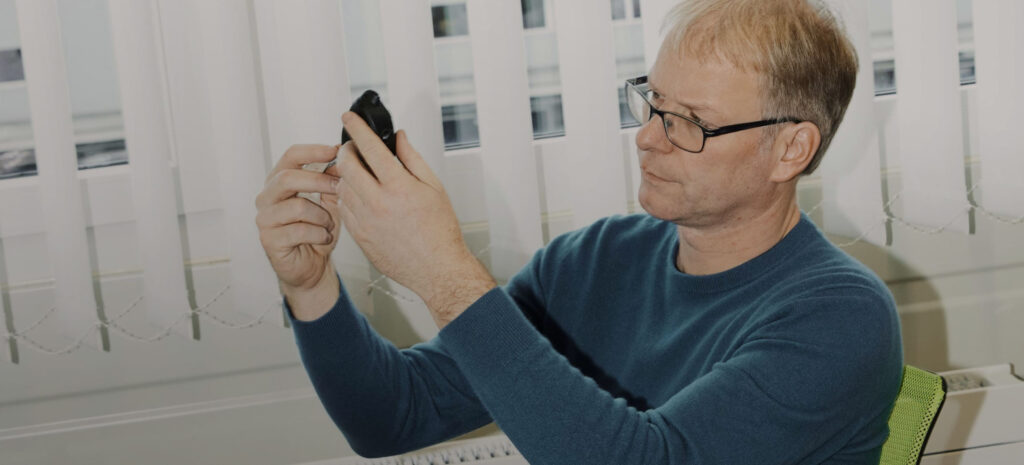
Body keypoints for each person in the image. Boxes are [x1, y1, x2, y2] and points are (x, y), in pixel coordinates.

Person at [254, 0, 903, 463]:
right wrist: (310, 286)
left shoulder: (841, 317)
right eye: (652, 102)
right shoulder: (594, 261)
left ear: (791, 150)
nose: (647, 137)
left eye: (690, 122)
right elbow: (389, 417)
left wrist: (444, 275)